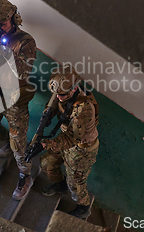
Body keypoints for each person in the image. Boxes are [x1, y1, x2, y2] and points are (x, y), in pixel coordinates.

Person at [0, 0, 37, 200]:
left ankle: (25, 175)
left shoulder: (25, 41)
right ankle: (7, 142)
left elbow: (23, 73)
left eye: (2, 23)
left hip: (16, 97)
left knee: (19, 144)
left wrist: (7, 55)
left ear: (13, 18)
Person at [38, 65, 100, 220]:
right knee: (46, 163)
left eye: (63, 95)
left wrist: (46, 144)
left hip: (82, 150)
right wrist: (48, 113)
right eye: (56, 94)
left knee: (76, 184)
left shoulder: (83, 109)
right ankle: (60, 185)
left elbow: (72, 139)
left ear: (74, 88)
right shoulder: (60, 92)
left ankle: (84, 207)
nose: (58, 97)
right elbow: (54, 103)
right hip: (66, 141)